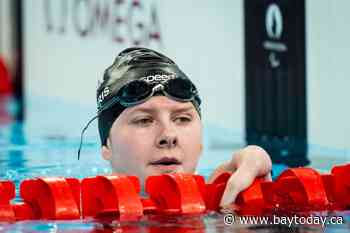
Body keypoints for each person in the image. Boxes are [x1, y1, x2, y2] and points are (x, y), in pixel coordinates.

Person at [95, 47, 272, 210]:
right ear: (107, 146)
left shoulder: (222, 206)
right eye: (144, 120)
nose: (169, 135)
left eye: (182, 119)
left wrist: (255, 162)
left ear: (200, 144)